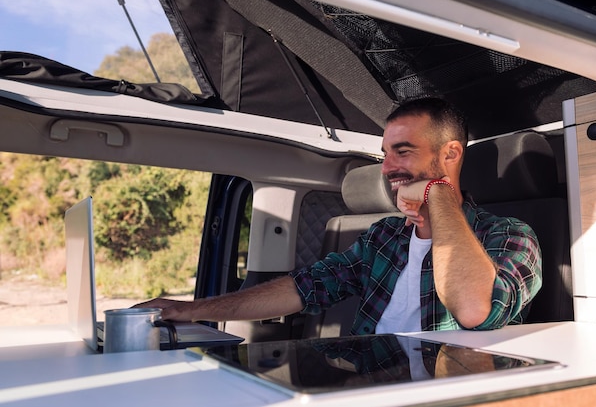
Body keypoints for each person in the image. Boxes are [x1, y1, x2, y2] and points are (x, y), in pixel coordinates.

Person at [136, 97, 542, 333]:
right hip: (368, 385)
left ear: (450, 153)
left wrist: (437, 192)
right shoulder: (384, 237)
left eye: (403, 151)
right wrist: (190, 310)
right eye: (385, 154)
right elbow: (304, 288)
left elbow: (474, 309)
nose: (387, 168)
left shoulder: (509, 236)